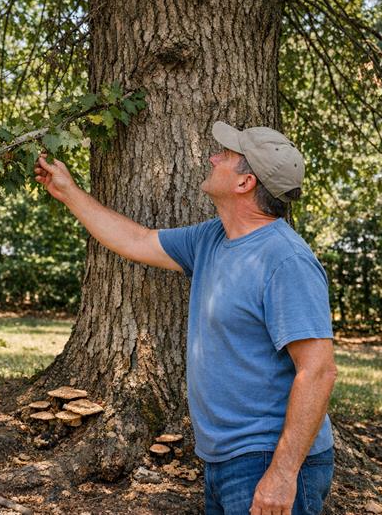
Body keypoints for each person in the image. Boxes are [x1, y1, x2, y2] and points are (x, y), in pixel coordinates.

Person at [34, 121, 337, 515]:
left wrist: (282, 474)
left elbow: (318, 370)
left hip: (267, 458)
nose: (213, 157)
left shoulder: (285, 260)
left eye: (225, 156)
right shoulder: (213, 238)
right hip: (224, 459)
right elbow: (139, 240)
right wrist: (68, 193)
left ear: (245, 183)